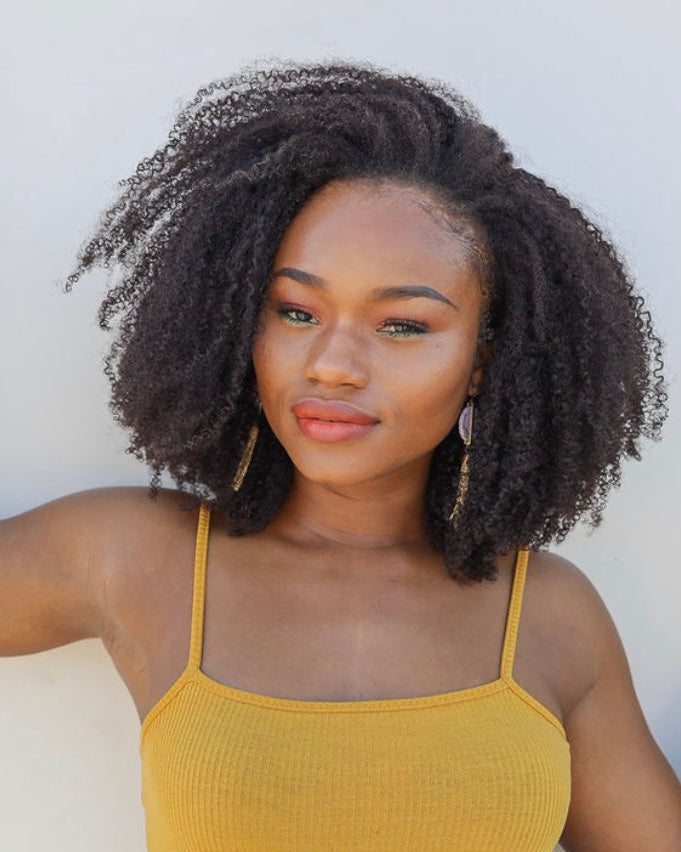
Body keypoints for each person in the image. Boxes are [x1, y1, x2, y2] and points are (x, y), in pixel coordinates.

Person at [2, 60, 680, 852]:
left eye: (401, 326)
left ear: (485, 362)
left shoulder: (552, 612)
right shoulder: (129, 554)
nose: (331, 364)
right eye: (294, 311)